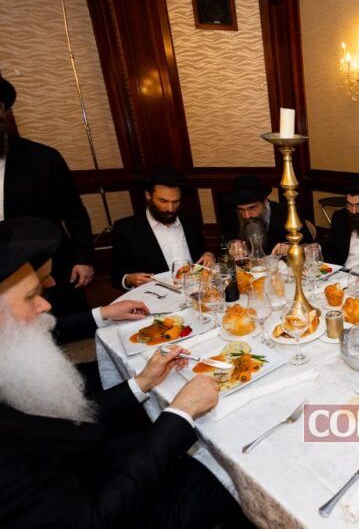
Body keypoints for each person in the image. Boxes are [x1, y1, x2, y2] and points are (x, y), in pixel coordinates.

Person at [0, 217, 250, 528]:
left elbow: (67, 418)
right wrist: (180, 412)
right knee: (230, 475)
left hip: (90, 458)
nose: (44, 306)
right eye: (29, 297)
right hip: (116, 503)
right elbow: (94, 519)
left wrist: (141, 382)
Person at [0, 76, 94, 315]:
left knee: (68, 327)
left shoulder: (42, 158)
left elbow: (75, 213)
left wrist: (83, 258)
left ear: (2, 110)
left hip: (49, 269)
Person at [112, 168, 214, 290]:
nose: (170, 209)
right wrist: (129, 279)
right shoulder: (126, 229)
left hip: (197, 290)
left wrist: (209, 255)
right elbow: (117, 276)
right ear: (148, 195)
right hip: (155, 294)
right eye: (163, 201)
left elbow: (201, 254)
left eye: (175, 202)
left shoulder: (190, 221)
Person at [224, 175, 311, 256]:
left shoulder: (287, 213)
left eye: (252, 208)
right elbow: (226, 246)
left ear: (265, 202)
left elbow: (311, 247)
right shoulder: (233, 217)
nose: (247, 216)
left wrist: (292, 248)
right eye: (242, 210)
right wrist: (232, 247)